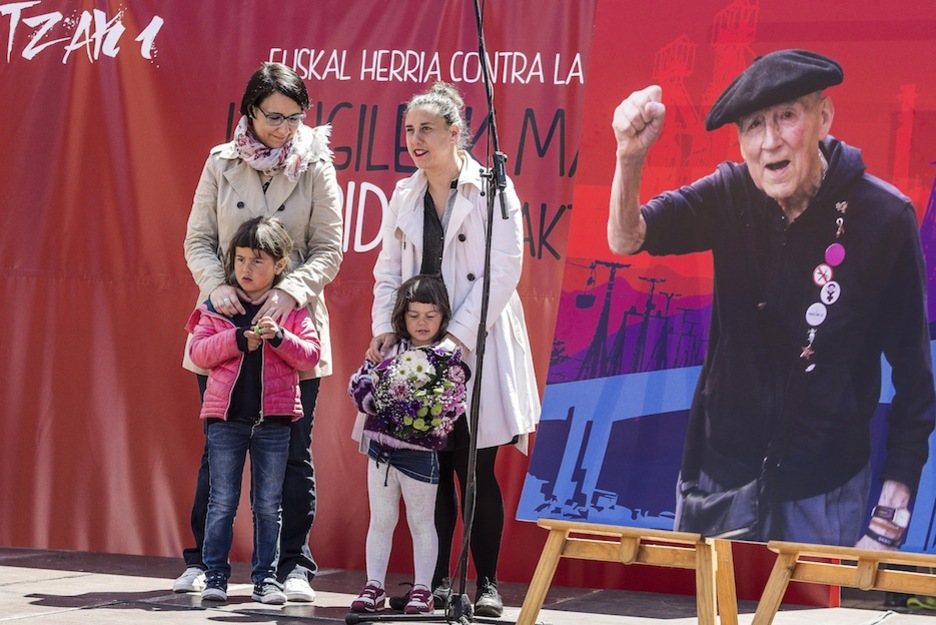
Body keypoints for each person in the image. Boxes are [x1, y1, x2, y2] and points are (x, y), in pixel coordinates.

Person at [607, 49, 936, 547]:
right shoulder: (729, 194)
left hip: (823, 490)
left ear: (823, 116)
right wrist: (629, 158)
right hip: (720, 482)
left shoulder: (885, 218)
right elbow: (627, 237)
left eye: (787, 116)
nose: (770, 141)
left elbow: (914, 378)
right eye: (753, 125)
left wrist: (889, 519)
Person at [367, 81, 540, 617]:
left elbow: (504, 270)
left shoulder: (493, 188)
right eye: (409, 130)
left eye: (426, 130)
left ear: (455, 133)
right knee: (431, 469)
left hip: (478, 345)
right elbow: (388, 271)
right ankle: (437, 581)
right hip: (419, 348)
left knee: (476, 468)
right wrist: (386, 327)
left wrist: (456, 339)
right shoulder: (404, 194)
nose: (415, 140)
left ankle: (485, 583)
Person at [177, 62, 342, 601]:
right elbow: (198, 238)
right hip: (225, 322)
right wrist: (214, 285)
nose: (285, 128)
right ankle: (203, 562)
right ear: (250, 110)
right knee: (217, 447)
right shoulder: (220, 163)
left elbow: (329, 248)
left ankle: (294, 566)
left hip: (290, 324)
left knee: (293, 451)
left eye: (295, 118)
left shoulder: (316, 165)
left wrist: (289, 290)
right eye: (274, 117)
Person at [185, 216, 322, 603]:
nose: (246, 268)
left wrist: (279, 337)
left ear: (280, 265)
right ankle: (214, 576)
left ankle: (266, 580)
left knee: (267, 506)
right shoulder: (219, 305)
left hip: (275, 425)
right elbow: (198, 351)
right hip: (225, 422)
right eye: (240, 259)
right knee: (221, 501)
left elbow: (311, 354)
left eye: (257, 260)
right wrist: (234, 340)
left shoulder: (292, 310)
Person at [348, 275, 468, 615]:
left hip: (420, 456)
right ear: (402, 315)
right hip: (381, 452)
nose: (422, 323)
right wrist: (377, 396)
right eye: (414, 315)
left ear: (444, 317)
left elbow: (454, 405)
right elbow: (358, 387)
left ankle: (422, 590)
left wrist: (421, 406)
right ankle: (373, 585)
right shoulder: (388, 347)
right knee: (381, 519)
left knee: (421, 522)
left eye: (431, 315)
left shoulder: (447, 357)